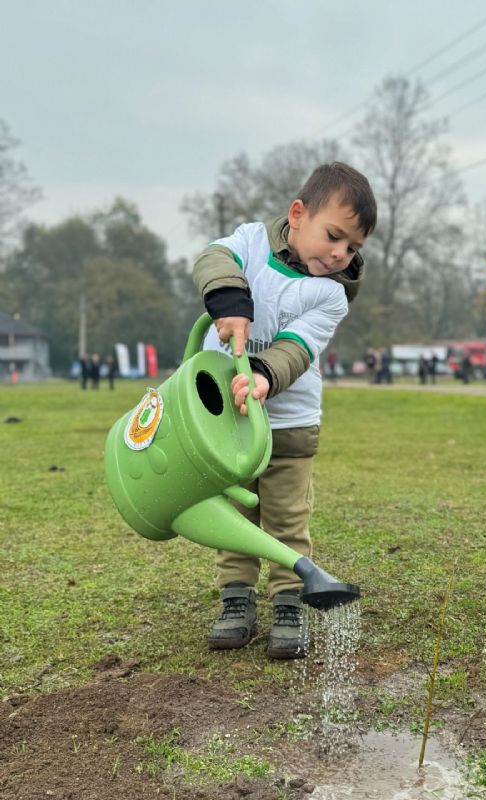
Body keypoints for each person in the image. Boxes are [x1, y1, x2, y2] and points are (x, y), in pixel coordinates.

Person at [193, 162, 377, 659]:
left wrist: (263, 376)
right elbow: (211, 257)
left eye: (353, 247)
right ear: (298, 214)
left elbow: (297, 348)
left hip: (289, 426)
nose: (340, 253)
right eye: (334, 236)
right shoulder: (250, 242)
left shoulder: (331, 295)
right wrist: (230, 299)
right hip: (226, 420)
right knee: (235, 515)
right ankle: (235, 599)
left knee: (286, 518)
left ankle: (289, 601)